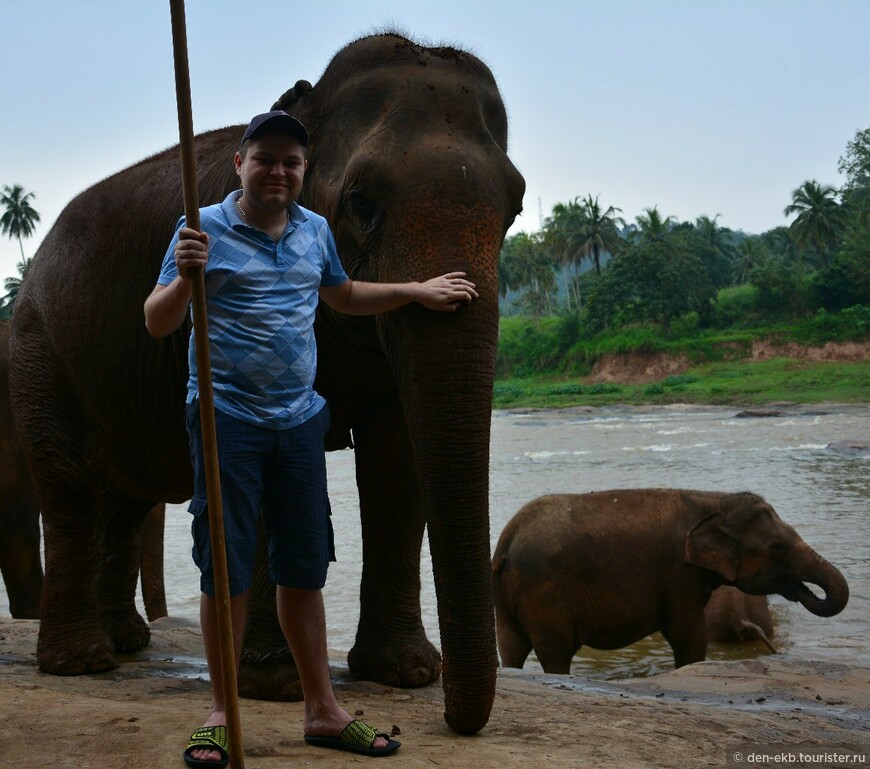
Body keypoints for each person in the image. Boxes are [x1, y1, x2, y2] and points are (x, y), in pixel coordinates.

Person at [144, 110, 478, 766]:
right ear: (239, 163)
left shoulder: (314, 231)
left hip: (299, 421)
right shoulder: (201, 230)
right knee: (227, 568)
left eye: (291, 163)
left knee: (303, 567)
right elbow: (158, 323)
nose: (278, 171)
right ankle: (221, 708)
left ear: (305, 173)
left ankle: (323, 709)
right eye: (265, 158)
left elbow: (343, 294)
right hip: (224, 420)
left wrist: (415, 289)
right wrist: (185, 274)